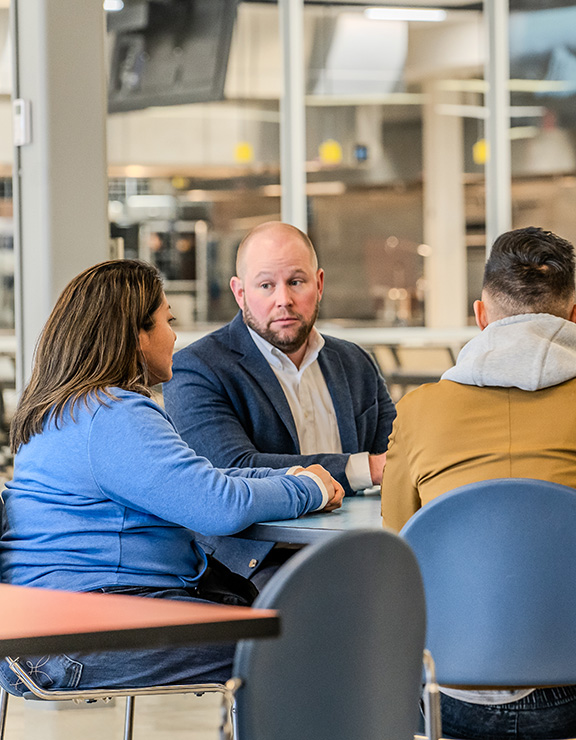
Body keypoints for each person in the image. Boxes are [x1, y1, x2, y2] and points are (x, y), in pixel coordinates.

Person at [0, 259, 343, 695]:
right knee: (303, 644)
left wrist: (289, 475)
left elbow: (197, 479)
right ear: (136, 335)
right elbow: (219, 506)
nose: (175, 335)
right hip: (80, 635)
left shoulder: (61, 412)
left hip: (38, 632)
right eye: (167, 320)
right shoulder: (112, 414)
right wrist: (309, 488)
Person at [381, 226, 576, 739]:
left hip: (447, 690)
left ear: (482, 316)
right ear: (574, 317)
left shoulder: (420, 411)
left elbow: (398, 542)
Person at [164, 221, 395, 583]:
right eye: (266, 285)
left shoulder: (356, 362)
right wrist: (364, 469)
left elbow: (397, 456)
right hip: (258, 561)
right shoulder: (197, 369)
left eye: (296, 282)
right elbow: (234, 469)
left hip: (357, 545)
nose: (283, 299)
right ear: (240, 293)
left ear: (318, 284)